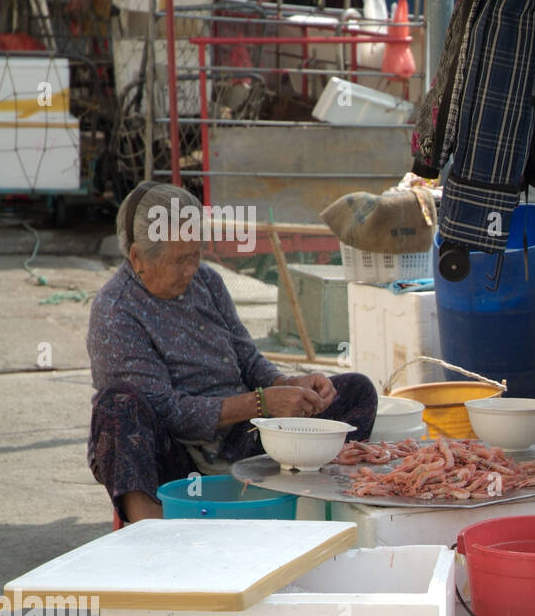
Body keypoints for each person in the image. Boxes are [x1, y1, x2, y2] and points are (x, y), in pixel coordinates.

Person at [88, 181, 377, 522]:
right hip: (177, 457)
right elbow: (167, 411)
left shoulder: (206, 282)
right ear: (138, 258)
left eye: (196, 254)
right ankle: (151, 526)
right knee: (117, 406)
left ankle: (303, 499)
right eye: (180, 260)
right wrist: (262, 402)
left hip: (241, 437)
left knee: (357, 391)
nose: (191, 269)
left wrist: (289, 383)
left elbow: (246, 356)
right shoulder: (116, 311)